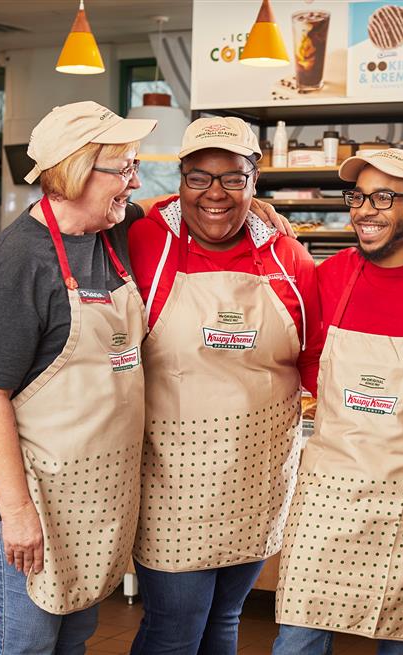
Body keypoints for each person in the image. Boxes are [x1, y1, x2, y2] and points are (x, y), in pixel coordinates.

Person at [0, 101, 157, 654]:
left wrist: (263, 210)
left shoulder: (114, 232)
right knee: (27, 643)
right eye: (123, 169)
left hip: (90, 491)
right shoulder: (19, 259)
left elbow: (189, 211)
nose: (134, 183)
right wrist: (17, 515)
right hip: (30, 493)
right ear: (74, 171)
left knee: (73, 636)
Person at [127, 116, 323, 655]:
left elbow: (314, 361)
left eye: (233, 179)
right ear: (180, 181)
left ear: (254, 183)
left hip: (255, 477)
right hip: (171, 480)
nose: (215, 193)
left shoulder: (289, 259)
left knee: (225, 620)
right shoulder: (143, 241)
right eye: (199, 178)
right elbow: (71, 213)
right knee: (175, 628)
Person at [273, 149, 403, 654]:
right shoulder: (328, 277)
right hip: (328, 487)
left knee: (401, 642)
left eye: (384, 197)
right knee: (297, 640)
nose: (365, 210)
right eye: (358, 197)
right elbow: (309, 357)